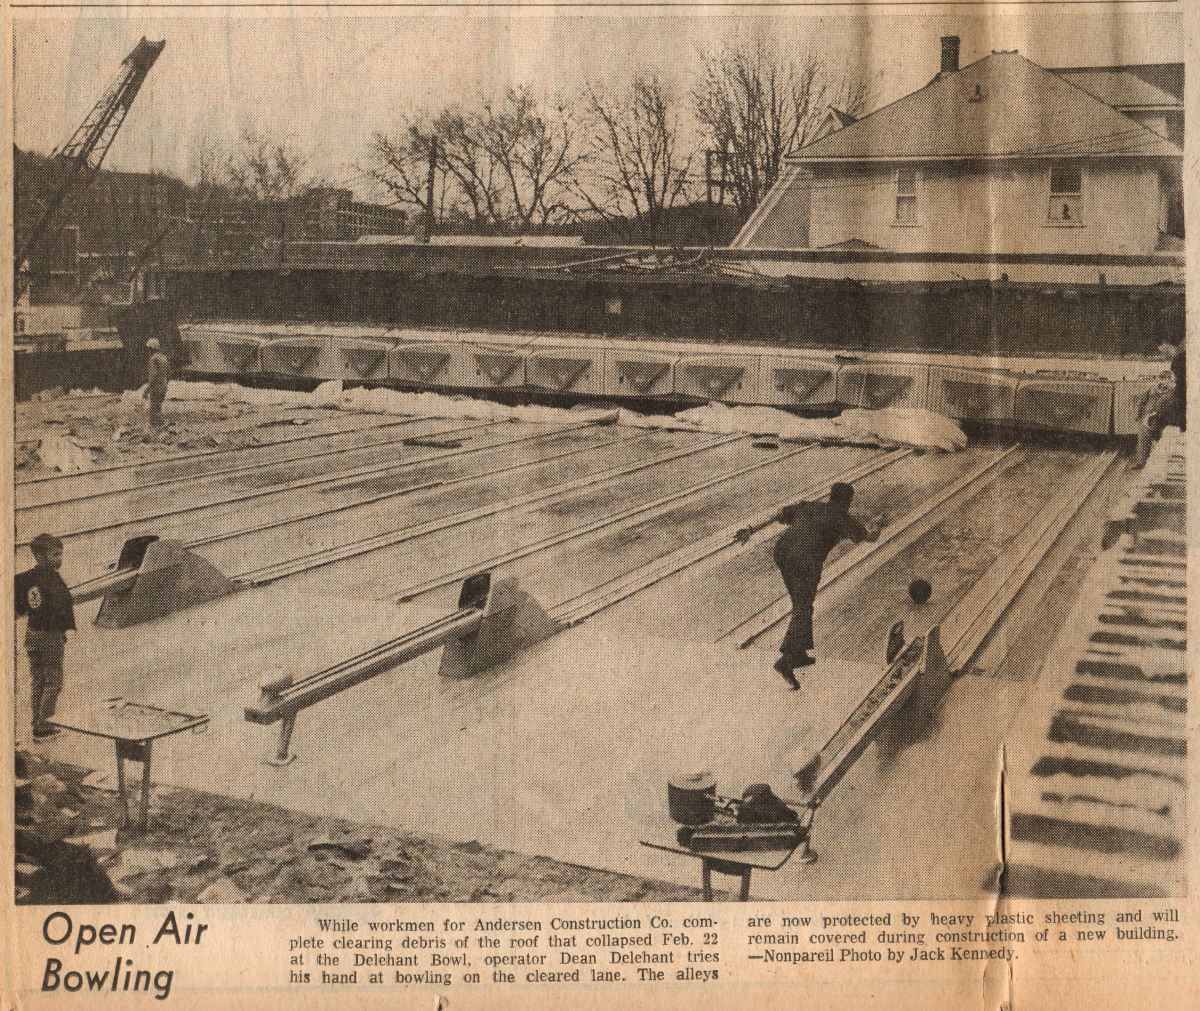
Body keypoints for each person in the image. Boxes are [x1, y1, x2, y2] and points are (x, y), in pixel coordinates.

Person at [736, 482, 879, 689]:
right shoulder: (843, 517)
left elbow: (778, 514)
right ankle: (786, 661)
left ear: (831, 496)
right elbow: (871, 537)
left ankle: (800, 653)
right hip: (806, 559)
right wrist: (879, 524)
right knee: (803, 606)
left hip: (782, 551)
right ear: (848, 501)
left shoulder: (811, 506)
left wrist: (751, 530)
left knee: (801, 604)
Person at [15, 533, 76, 741]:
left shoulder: (25, 578)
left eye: (61, 554)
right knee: (53, 682)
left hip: (32, 634)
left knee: (38, 681)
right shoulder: (52, 578)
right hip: (50, 636)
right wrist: (62, 633)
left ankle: (36, 723)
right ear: (40, 556)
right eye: (55, 554)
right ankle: (44, 727)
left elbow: (20, 607)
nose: (60, 558)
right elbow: (62, 605)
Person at [144, 337, 171, 431]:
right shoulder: (164, 358)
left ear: (151, 348)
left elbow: (153, 375)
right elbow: (169, 374)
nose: (147, 351)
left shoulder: (153, 359)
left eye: (148, 348)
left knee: (153, 411)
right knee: (158, 408)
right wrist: (164, 384)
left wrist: (147, 389)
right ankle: (162, 428)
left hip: (156, 387)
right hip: (163, 386)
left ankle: (156, 431)